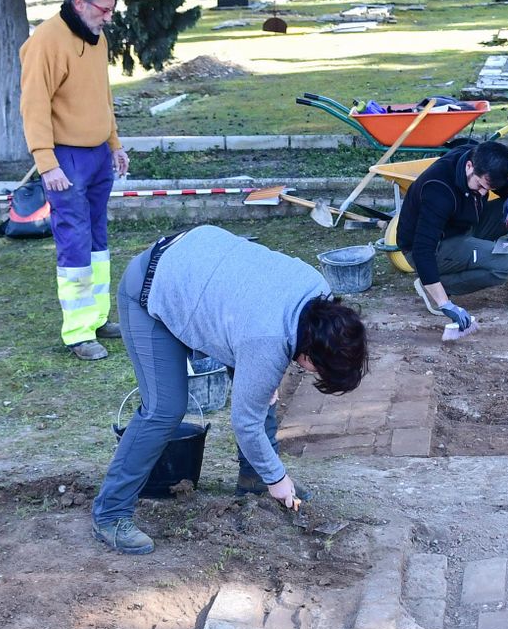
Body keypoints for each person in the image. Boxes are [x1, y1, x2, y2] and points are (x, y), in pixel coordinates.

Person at [92, 226, 370, 555]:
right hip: (151, 286)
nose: (310, 373)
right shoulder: (266, 341)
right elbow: (245, 422)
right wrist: (279, 478)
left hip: (204, 274)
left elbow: (267, 338)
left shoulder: (318, 290)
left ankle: (255, 478)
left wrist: (264, 382)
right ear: (309, 355)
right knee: (164, 408)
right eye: (316, 371)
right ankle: (110, 513)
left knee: (261, 387)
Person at [18, 0, 130, 361]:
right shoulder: (45, 42)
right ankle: (79, 333)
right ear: (79, 3)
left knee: (97, 237)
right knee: (74, 240)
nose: (108, 17)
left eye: (112, 9)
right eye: (103, 9)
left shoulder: (96, 37)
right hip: (65, 158)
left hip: (98, 154)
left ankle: (97, 318)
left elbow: (102, 96)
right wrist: (47, 164)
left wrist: (114, 144)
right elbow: (33, 107)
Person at [397, 139, 508, 332]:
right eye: (480, 186)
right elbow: (422, 250)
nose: (483, 193)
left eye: (489, 189)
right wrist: (444, 303)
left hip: (464, 224)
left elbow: (503, 178)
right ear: (469, 167)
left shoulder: (477, 154)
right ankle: (436, 289)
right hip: (434, 246)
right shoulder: (439, 189)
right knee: (507, 264)